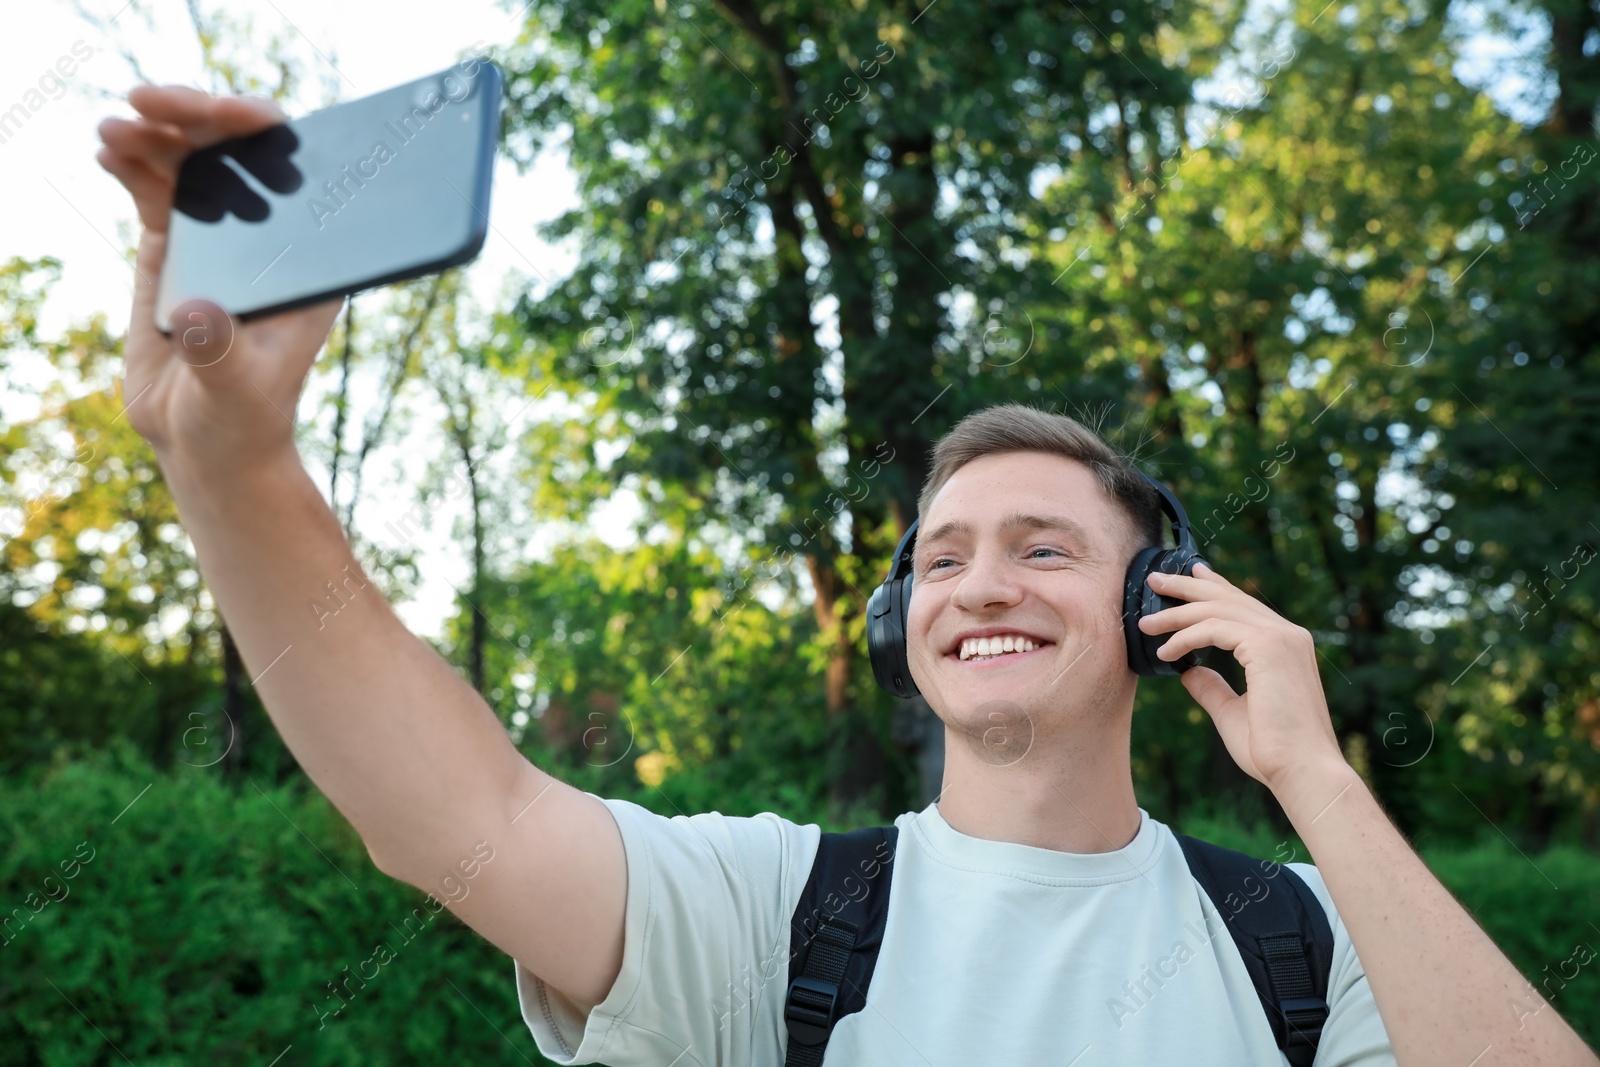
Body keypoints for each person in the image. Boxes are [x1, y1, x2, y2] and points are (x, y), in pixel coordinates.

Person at [96, 86, 1597, 1067]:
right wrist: (231, 470)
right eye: (940, 558)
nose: (979, 585)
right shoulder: (783, 913)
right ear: (900, 624)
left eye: (1045, 548)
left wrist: (1317, 780)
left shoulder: (1305, 943)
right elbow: (461, 820)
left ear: (1164, 611)